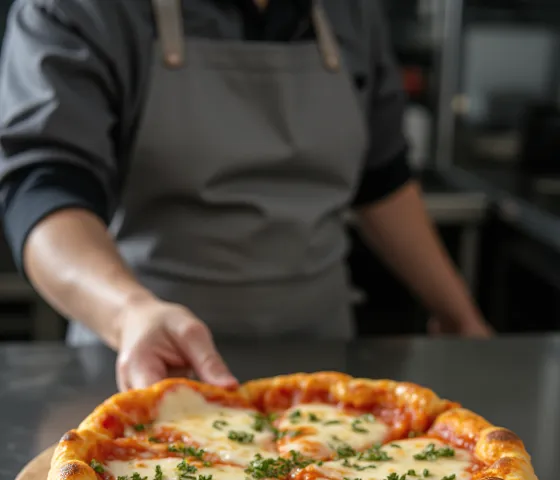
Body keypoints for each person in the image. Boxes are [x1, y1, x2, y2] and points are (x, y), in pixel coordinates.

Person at [0, 0, 490, 391]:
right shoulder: (77, 9)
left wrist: (461, 317)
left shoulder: (352, 12)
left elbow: (382, 179)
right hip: (149, 361)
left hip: (325, 364)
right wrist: (129, 313)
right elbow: (42, 189)